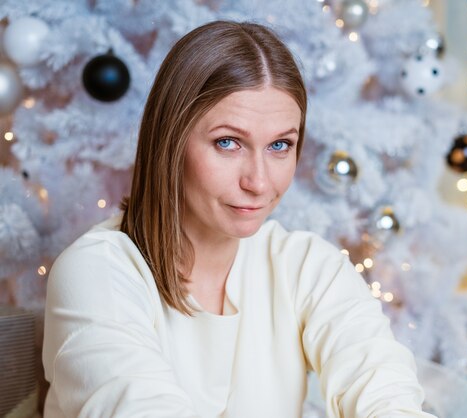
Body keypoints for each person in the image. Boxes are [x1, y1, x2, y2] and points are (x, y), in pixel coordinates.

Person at [42, 20, 436, 418]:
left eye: (280, 145)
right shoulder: (98, 272)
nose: (259, 182)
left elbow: (384, 390)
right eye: (227, 143)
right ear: (170, 142)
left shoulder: (305, 267)